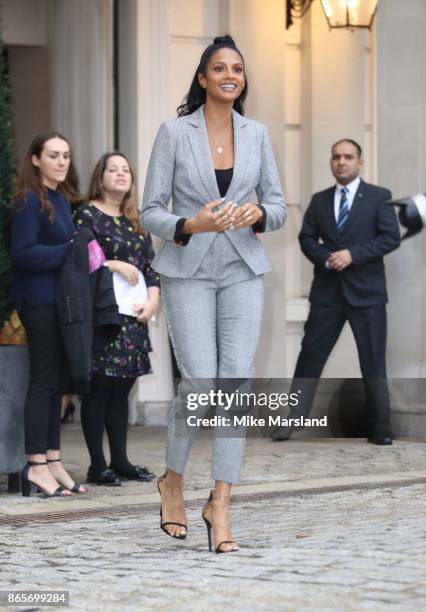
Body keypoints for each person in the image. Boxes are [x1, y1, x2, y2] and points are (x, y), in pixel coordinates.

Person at [141, 35, 287, 552]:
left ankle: (220, 504)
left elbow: (278, 203)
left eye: (238, 69)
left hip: (244, 268)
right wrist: (192, 222)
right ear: (203, 78)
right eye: (219, 68)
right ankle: (173, 480)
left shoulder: (258, 134)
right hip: (188, 271)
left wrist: (260, 214)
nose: (230, 75)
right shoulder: (173, 133)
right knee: (200, 385)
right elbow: (150, 210)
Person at [272, 139, 401, 444]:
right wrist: (327, 259)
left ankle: (380, 429)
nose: (341, 162)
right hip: (327, 294)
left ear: (360, 162)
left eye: (348, 157)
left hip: (367, 295)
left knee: (373, 362)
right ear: (331, 162)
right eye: (336, 157)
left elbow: (390, 238)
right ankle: (291, 422)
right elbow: (306, 239)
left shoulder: (379, 198)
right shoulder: (319, 200)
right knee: (309, 359)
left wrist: (351, 255)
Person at [74, 152, 160, 486]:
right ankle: (98, 465)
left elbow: (151, 267)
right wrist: (113, 264)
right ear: (101, 176)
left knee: (122, 390)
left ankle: (120, 460)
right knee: (99, 388)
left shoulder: (135, 219)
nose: (121, 174)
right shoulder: (87, 214)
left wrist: (154, 300)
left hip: (134, 318)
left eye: (126, 169)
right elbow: (79, 257)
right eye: (114, 169)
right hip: (104, 315)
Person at [10, 131, 87, 496]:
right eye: (54, 155)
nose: (61, 162)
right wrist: (68, 252)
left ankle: (53, 459)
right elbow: (23, 253)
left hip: (58, 301)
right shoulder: (28, 200)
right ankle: (36, 464)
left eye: (66, 156)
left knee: (57, 383)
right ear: (36, 159)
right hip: (37, 301)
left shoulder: (60, 200)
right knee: (43, 382)